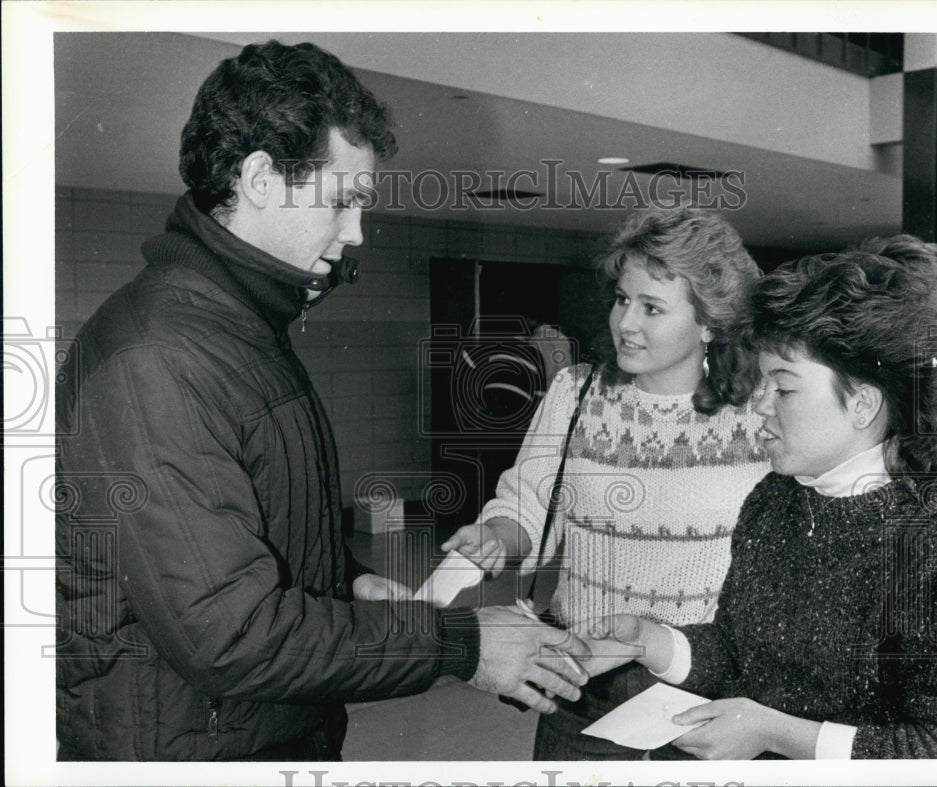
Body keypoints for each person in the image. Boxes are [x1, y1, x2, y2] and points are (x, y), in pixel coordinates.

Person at [54, 40, 588, 761]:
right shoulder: (158, 358)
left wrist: (347, 586)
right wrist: (459, 642)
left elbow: (251, 526)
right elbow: (232, 633)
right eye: (342, 202)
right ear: (260, 178)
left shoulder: (236, 326)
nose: (355, 233)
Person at [585, 235, 937, 759]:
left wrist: (775, 733)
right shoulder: (775, 499)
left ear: (863, 403)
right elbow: (738, 651)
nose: (758, 404)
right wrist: (653, 641)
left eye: (784, 387)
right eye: (761, 382)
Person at [442, 206, 770, 759]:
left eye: (652, 307)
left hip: (706, 684)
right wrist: (497, 535)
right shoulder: (577, 393)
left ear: (709, 321)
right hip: (582, 676)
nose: (626, 323)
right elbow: (530, 503)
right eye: (623, 299)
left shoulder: (758, 411)